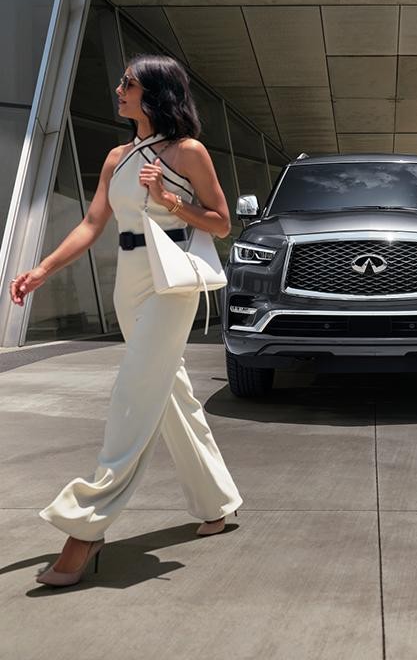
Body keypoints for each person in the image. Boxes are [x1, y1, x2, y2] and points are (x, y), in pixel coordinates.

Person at [10, 54, 243, 587]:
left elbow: (222, 223)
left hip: (171, 282)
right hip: (129, 283)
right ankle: (218, 502)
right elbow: (94, 223)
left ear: (155, 93)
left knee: (134, 396)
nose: (117, 90)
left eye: (128, 84)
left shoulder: (188, 151)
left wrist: (167, 199)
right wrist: (42, 269)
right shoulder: (118, 156)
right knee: (170, 395)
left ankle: (84, 531)